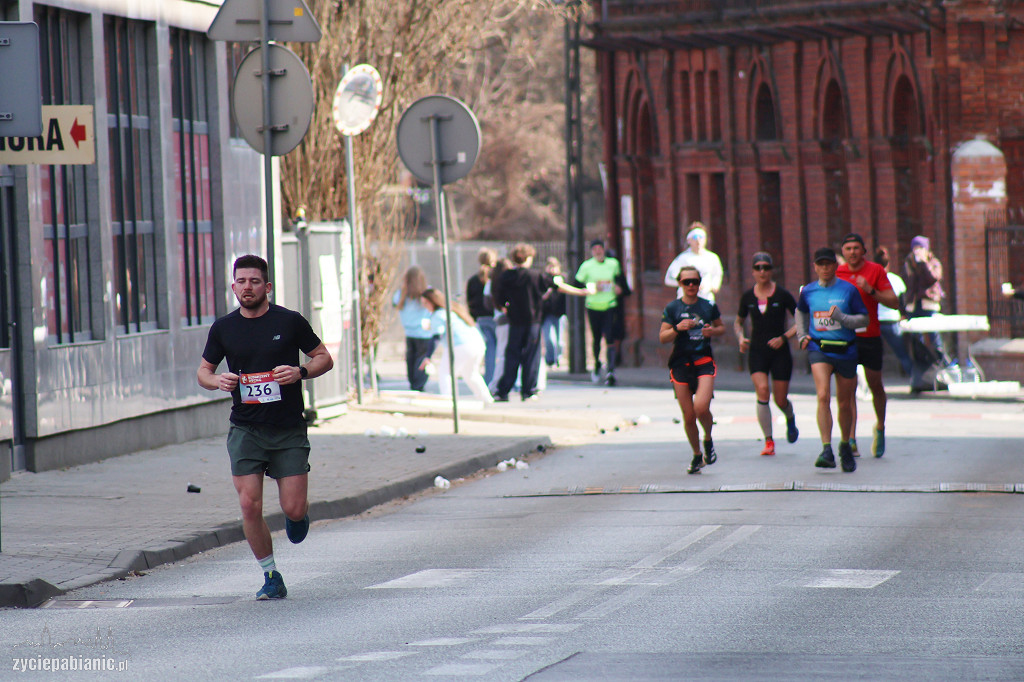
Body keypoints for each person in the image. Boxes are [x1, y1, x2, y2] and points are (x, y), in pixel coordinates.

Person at [197, 254, 334, 600]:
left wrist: (300, 372)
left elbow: (324, 357)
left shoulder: (289, 321)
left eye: (254, 281)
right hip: (246, 429)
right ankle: (271, 575)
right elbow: (203, 372)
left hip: (287, 429)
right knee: (249, 505)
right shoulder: (224, 328)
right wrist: (217, 381)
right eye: (241, 282)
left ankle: (298, 516)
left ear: (267, 286)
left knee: (294, 508)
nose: (247, 287)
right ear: (233, 287)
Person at [796, 247, 869, 473]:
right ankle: (826, 449)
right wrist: (801, 335)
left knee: (845, 403)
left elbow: (864, 319)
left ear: (835, 266)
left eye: (828, 264)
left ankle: (845, 444)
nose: (825, 268)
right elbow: (800, 311)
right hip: (819, 348)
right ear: (815, 267)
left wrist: (843, 318)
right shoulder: (808, 291)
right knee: (823, 395)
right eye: (821, 264)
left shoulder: (848, 290)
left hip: (846, 350)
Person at [836, 233, 898, 459]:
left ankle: (880, 426)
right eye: (848, 248)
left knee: (875, 385)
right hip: (845, 337)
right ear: (843, 252)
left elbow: (894, 302)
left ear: (863, 251)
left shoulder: (875, 271)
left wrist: (871, 290)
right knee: (848, 388)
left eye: (856, 248)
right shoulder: (837, 273)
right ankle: (851, 438)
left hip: (870, 336)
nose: (852, 252)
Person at [661, 265, 726, 474]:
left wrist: (711, 331)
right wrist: (677, 328)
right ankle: (697, 455)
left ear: (700, 283)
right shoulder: (673, 308)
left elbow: (721, 328)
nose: (691, 285)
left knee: (701, 407)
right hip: (680, 363)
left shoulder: (708, 306)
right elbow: (662, 337)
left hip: (703, 360)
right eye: (686, 282)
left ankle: (708, 438)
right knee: (689, 416)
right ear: (680, 284)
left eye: (695, 281)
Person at [734, 252, 799, 457]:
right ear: (753, 272)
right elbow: (738, 321)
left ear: (772, 270)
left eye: (766, 267)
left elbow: (801, 320)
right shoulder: (748, 297)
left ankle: (790, 417)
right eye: (758, 268)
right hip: (757, 351)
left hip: (780, 352)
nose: (762, 272)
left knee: (780, 399)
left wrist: (784, 337)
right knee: (762, 391)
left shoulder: (782, 295)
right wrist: (740, 337)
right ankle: (769, 440)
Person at [494, 243, 551, 402]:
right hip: (533, 321)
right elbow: (550, 286)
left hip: (515, 321)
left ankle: (503, 390)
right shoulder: (535, 276)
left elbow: (500, 296)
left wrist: (505, 306)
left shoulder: (507, 276)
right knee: (531, 356)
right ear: (528, 258)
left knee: (512, 355)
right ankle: (528, 390)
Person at [421, 288, 493, 404]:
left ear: (432, 302)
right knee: (471, 374)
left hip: (460, 345)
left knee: (445, 373)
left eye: (425, 303)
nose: (424, 306)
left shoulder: (438, 315)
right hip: (477, 343)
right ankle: (487, 400)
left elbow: (436, 337)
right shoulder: (452, 310)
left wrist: (428, 357)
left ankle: (448, 401)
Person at [566, 239, 622, 386]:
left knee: (610, 336)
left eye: (600, 248)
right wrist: (591, 287)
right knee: (596, 338)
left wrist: (618, 287)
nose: (598, 251)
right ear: (591, 251)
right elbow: (577, 284)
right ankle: (597, 365)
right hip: (593, 305)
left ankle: (611, 370)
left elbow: (620, 280)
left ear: (604, 249)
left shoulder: (613, 264)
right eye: (595, 249)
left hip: (610, 304)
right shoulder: (587, 266)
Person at [903, 235, 946, 375]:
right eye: (915, 248)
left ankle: (941, 362)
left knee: (933, 334)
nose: (917, 251)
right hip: (914, 304)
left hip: (928, 303)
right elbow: (908, 282)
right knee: (916, 336)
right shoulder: (909, 263)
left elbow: (933, 278)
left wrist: (924, 263)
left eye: (921, 248)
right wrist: (914, 266)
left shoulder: (934, 262)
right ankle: (922, 365)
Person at [392, 266, 436, 392]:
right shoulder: (426, 292)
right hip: (424, 332)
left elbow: (394, 303)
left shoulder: (402, 294)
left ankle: (413, 382)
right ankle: (419, 384)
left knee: (411, 358)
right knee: (421, 358)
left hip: (409, 332)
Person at [875, 246, 914, 377]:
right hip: (892, 320)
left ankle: (873, 381)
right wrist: (904, 315)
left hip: (875, 321)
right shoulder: (896, 280)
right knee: (902, 353)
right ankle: (912, 377)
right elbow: (902, 301)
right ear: (888, 263)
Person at [664, 222, 724, 303]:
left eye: (701, 237)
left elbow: (717, 275)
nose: (698, 241)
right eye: (695, 237)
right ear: (689, 240)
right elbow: (669, 279)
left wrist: (711, 286)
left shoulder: (712, 258)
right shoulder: (682, 259)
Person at [466, 248, 498, 386]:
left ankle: (489, 378)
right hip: (495, 317)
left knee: (489, 349)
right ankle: (496, 379)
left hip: (480, 318)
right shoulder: (496, 278)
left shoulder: (473, 280)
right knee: (499, 350)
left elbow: (470, 301)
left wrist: (473, 317)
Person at [486, 257, 512, 394]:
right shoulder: (507, 281)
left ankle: (497, 382)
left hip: (499, 319)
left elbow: (487, 302)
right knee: (506, 353)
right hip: (508, 319)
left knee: (501, 353)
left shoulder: (491, 282)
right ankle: (497, 383)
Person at [541, 257, 567, 369]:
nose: (552, 269)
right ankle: (550, 360)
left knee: (559, 341)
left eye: (554, 267)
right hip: (547, 314)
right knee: (549, 339)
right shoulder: (543, 280)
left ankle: (558, 358)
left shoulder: (562, 279)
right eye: (549, 266)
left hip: (560, 313)